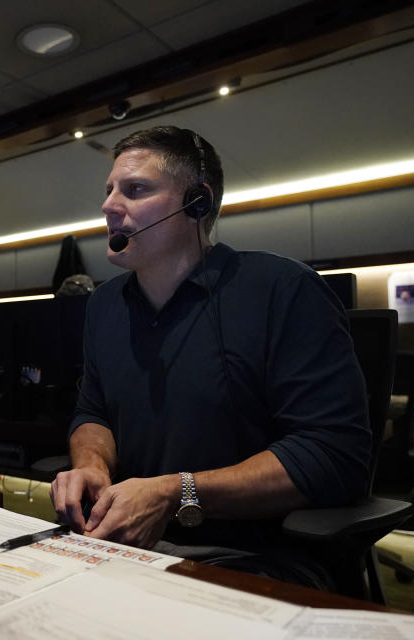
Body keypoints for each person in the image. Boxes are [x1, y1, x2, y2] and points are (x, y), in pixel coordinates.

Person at [49, 126, 371, 587]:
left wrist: (172, 493)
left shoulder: (282, 288)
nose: (108, 205)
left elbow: (332, 455)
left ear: (196, 203)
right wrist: (90, 466)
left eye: (135, 189)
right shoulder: (104, 305)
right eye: (109, 190)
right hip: (124, 545)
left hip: (252, 555)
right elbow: (93, 411)